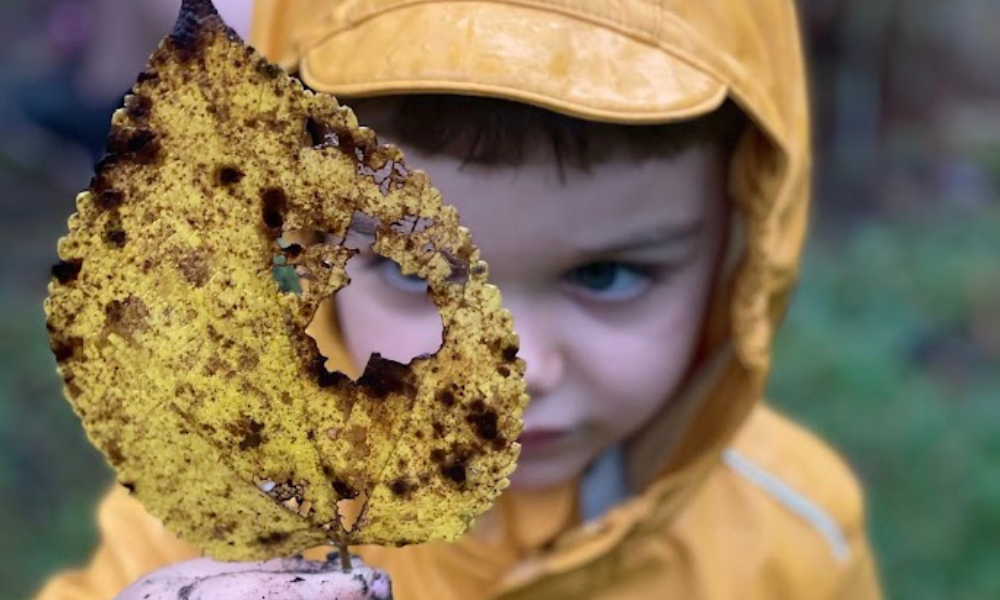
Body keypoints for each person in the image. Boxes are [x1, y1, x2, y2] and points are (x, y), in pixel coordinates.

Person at [35, 0, 884, 599]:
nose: (510, 377)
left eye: (605, 275)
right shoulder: (229, 493)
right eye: (414, 274)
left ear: (741, 242)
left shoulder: (794, 539)